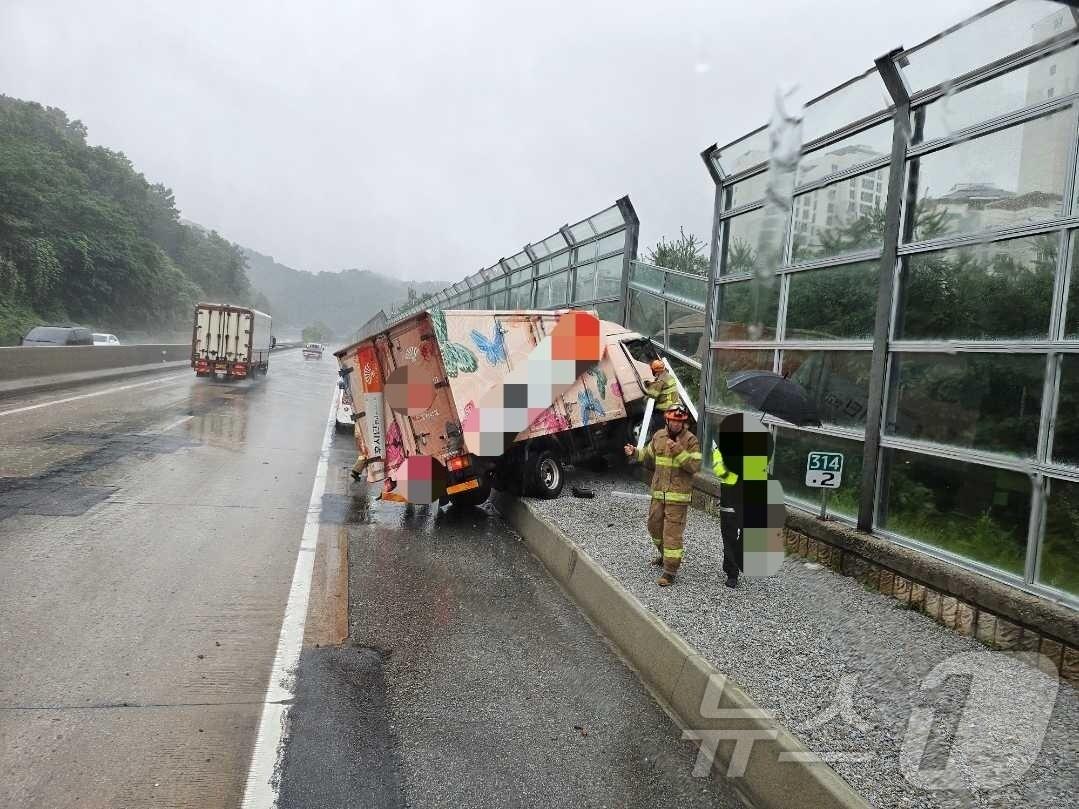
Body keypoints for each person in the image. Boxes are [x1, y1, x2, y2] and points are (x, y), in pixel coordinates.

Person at [623, 404, 701, 587]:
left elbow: (694, 466)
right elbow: (647, 454)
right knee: (653, 526)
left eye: (679, 421)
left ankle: (670, 571)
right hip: (659, 493)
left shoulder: (691, 441)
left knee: (672, 534)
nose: (675, 424)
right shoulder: (659, 436)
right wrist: (634, 452)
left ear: (684, 422)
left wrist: (678, 451)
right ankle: (665, 554)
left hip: (677, 497)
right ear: (667, 420)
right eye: (673, 420)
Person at [643, 358, 680, 435]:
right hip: (674, 408)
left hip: (664, 410)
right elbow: (662, 386)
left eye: (652, 370)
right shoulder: (668, 376)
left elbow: (652, 395)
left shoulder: (660, 381)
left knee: (658, 431)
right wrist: (651, 384)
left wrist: (648, 387)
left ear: (655, 371)